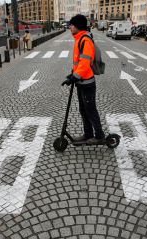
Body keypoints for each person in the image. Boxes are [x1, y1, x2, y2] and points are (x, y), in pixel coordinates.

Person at [61, 14, 105, 144]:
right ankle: (88, 134)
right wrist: (72, 75)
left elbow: (85, 63)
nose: (70, 27)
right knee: (83, 110)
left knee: (90, 110)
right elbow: (79, 62)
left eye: (72, 25)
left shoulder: (85, 40)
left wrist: (75, 77)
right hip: (81, 82)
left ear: (78, 26)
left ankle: (100, 136)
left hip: (87, 83)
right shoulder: (79, 39)